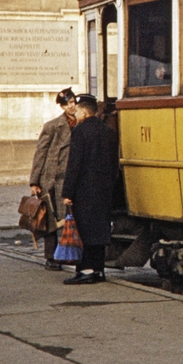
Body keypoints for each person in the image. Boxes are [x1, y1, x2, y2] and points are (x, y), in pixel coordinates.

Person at [60, 94, 121, 285]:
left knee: (85, 231)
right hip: (103, 190)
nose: (76, 113)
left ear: (85, 112)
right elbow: (114, 164)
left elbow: (74, 165)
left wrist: (67, 192)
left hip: (84, 191)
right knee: (100, 231)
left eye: (77, 110)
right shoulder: (108, 131)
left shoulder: (80, 131)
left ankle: (86, 270)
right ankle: (98, 270)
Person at [29, 88, 77, 269]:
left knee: (70, 219)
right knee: (50, 221)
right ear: (62, 106)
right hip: (52, 179)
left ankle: (68, 254)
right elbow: (40, 153)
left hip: (70, 178)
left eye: (73, 102)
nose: (71, 106)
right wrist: (35, 181)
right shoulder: (53, 126)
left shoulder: (81, 123)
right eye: (67, 104)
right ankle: (51, 257)